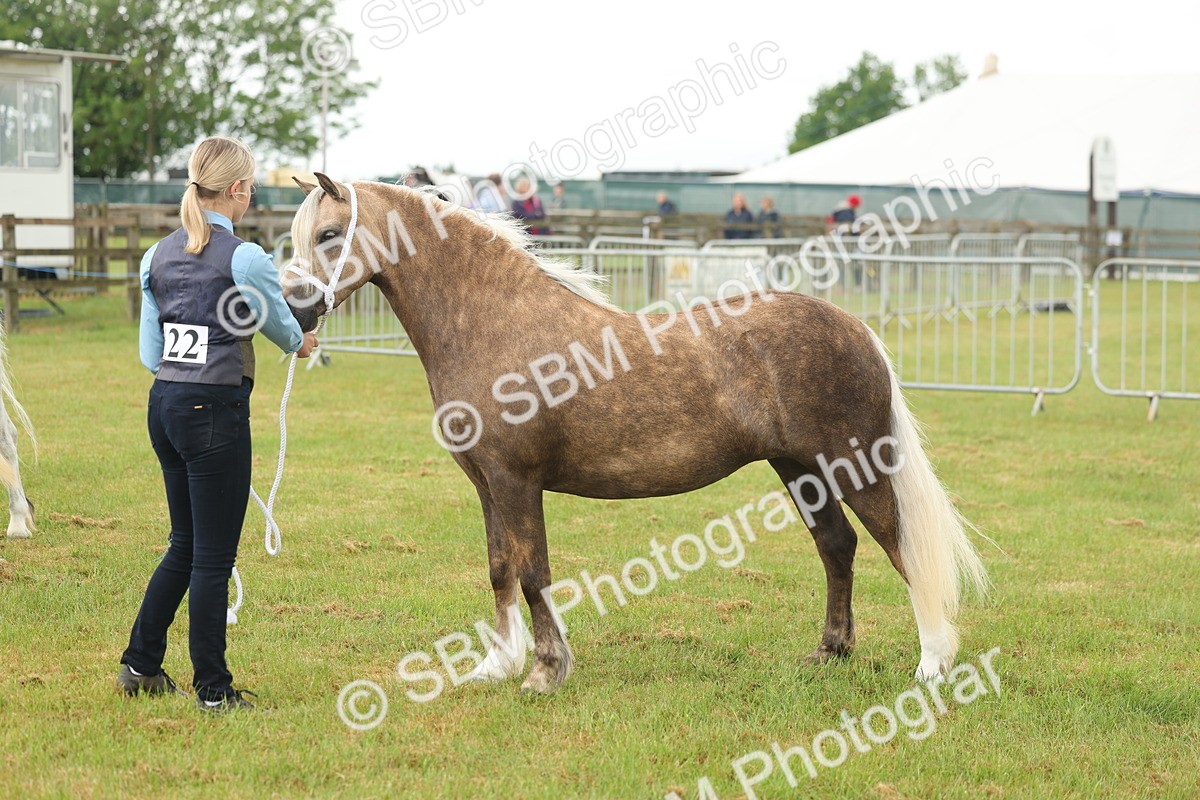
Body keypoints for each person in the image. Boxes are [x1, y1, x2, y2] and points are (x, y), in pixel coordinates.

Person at [117, 136, 318, 712]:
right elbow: (281, 327)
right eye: (249, 186)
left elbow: (151, 352)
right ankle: (213, 689)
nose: (251, 194)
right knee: (212, 557)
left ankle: (141, 663)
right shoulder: (246, 257)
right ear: (234, 190)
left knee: (185, 543)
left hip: (166, 404)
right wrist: (301, 341)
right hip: (215, 413)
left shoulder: (154, 256)